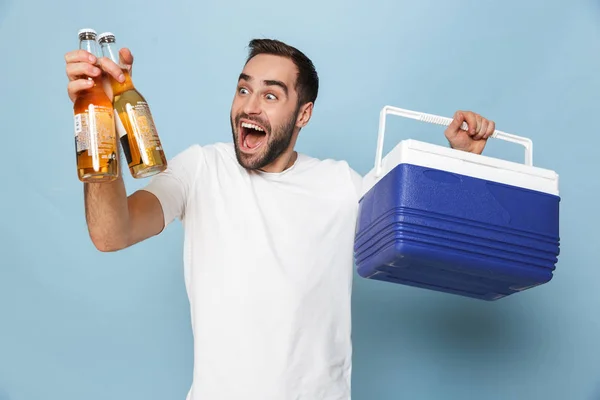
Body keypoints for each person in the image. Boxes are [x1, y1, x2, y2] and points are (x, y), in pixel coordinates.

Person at [64, 38, 496, 400]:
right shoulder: (200, 169)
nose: (250, 107)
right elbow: (110, 233)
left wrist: (459, 164)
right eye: (243, 90)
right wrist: (98, 116)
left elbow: (423, 242)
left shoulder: (341, 185)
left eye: (270, 95)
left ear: (302, 115)